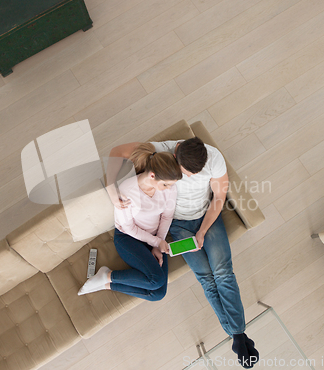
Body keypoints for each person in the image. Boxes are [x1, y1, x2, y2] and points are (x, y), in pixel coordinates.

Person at [106, 137, 259, 369]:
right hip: (177, 225)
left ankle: (237, 336)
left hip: (207, 218)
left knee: (223, 271)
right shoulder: (161, 152)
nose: (187, 178)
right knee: (206, 278)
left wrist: (203, 230)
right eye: (184, 173)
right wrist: (110, 188)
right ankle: (238, 336)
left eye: (194, 174)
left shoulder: (213, 158)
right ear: (175, 154)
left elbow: (218, 198)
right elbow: (116, 150)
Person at [78, 143, 182, 301]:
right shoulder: (127, 191)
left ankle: (107, 284)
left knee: (158, 293)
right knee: (157, 280)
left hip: (154, 236)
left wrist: (157, 243)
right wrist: (156, 242)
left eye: (171, 185)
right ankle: (107, 276)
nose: (169, 189)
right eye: (166, 184)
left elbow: (167, 216)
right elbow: (129, 228)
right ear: (152, 176)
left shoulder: (169, 188)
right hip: (128, 237)